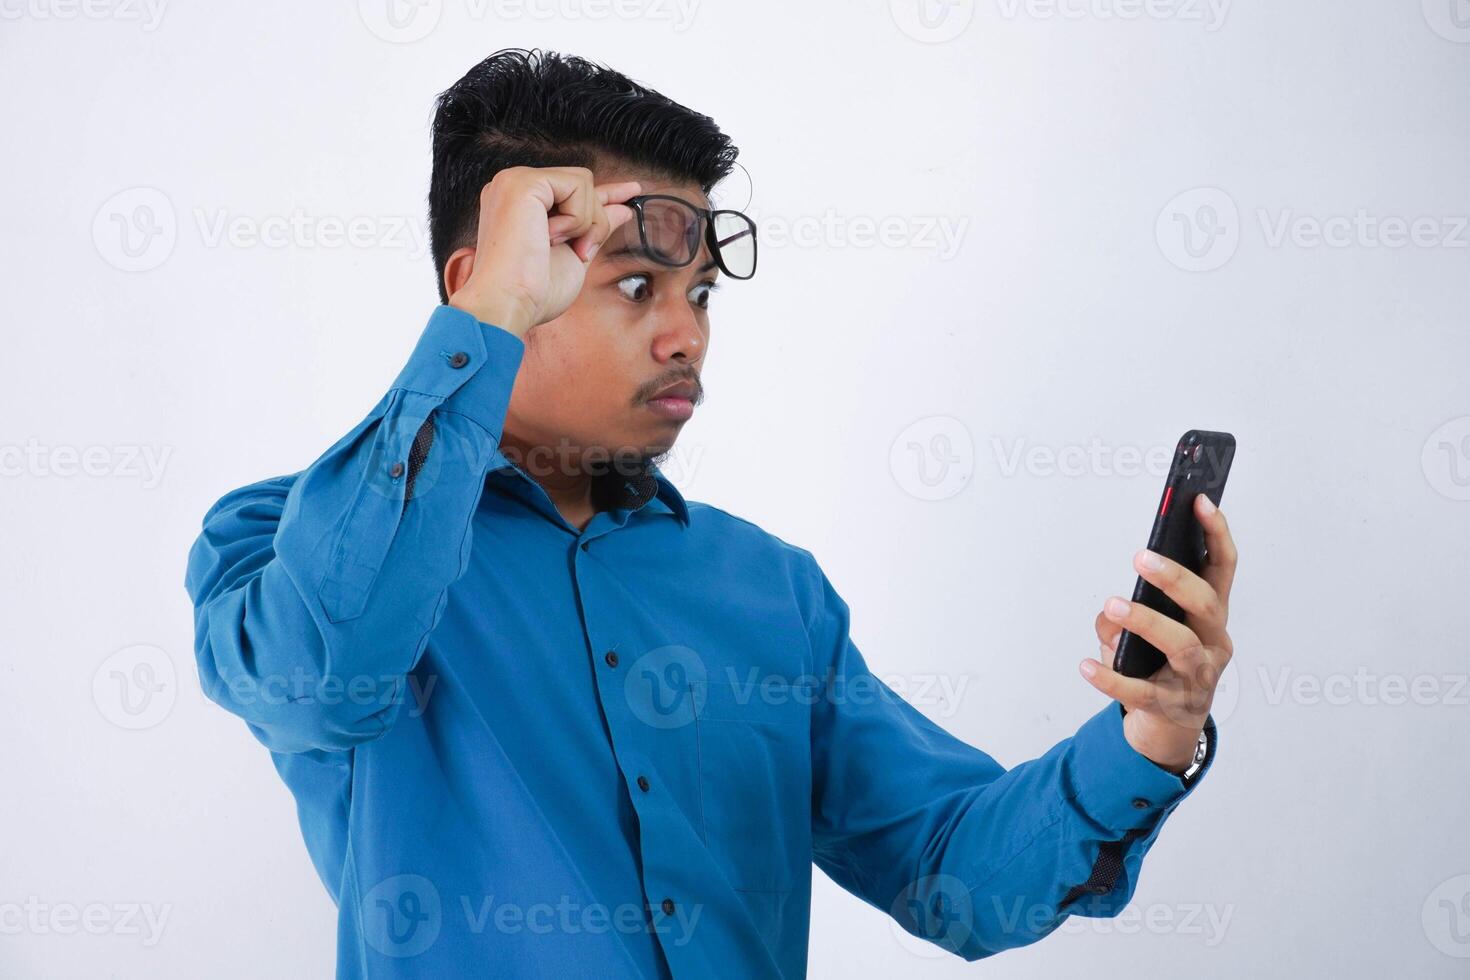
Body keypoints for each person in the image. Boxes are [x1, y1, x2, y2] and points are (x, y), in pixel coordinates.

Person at [183, 47, 1236, 980]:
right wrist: (483, 325)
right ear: (493, 281)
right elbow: (322, 672)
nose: (687, 334)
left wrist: (1149, 732)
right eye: (638, 286)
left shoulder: (773, 590)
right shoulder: (292, 543)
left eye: (703, 293)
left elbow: (951, 869)